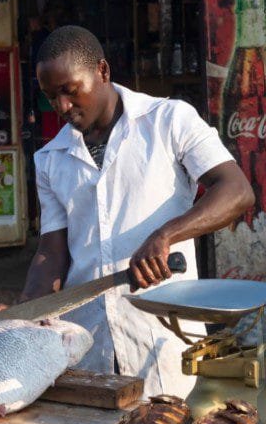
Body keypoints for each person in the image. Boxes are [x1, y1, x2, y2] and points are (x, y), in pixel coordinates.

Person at [19, 25, 254, 397]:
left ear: (102, 71)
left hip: (161, 335)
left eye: (69, 91)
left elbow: (237, 191)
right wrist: (24, 311)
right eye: (51, 97)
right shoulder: (50, 158)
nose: (61, 107)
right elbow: (52, 251)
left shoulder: (169, 121)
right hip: (86, 344)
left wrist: (166, 236)